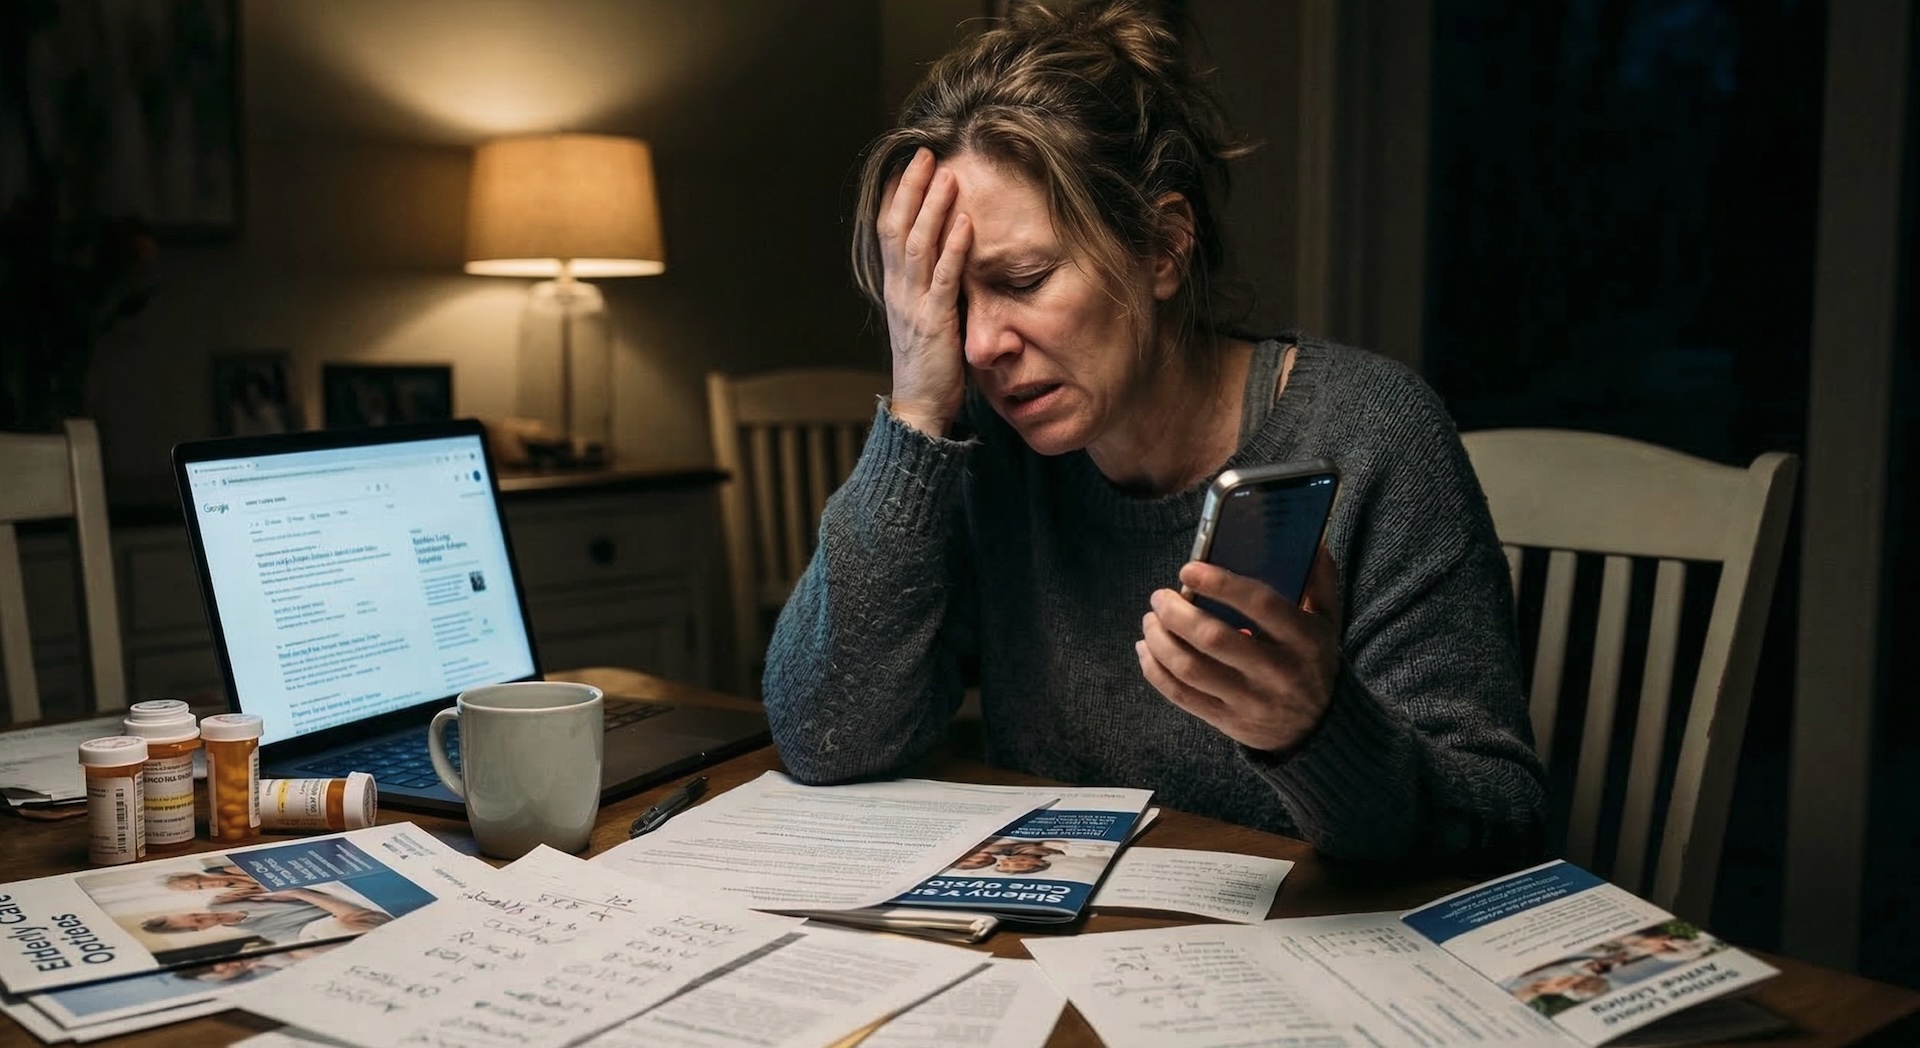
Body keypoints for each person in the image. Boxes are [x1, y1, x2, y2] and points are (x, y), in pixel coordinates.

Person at [762, 0, 1545, 861]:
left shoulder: (1371, 432)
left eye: (1022, 278)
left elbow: (1501, 826)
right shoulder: (983, 450)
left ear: (1165, 248)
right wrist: (915, 412)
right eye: (948, 299)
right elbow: (823, 738)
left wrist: (1313, 729)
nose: (981, 345)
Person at [140, 887, 391, 944]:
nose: (202, 916)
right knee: (356, 924)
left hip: (333, 891)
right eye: (197, 921)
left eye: (192, 913)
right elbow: (347, 920)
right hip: (339, 904)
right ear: (199, 931)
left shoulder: (219, 900)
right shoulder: (268, 933)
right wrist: (298, 893)